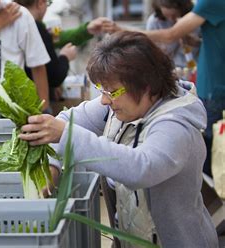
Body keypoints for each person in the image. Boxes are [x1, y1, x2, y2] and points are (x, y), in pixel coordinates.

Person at [19, 31, 218, 247]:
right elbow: (66, 120)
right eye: (102, 90)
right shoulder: (121, 104)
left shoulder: (175, 123)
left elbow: (141, 168)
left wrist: (67, 135)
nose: (104, 100)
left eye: (111, 91)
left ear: (146, 86)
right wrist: (54, 165)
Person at [103, 0, 224, 178]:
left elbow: (170, 34)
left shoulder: (210, 2)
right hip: (212, 83)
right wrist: (195, 42)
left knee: (209, 160)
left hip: (213, 86)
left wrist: (121, 31)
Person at [13, 0, 111, 103]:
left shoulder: (13, 24)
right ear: (41, 3)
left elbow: (55, 38)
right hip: (35, 102)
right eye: (47, 4)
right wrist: (65, 57)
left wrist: (86, 29)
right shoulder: (36, 27)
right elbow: (54, 76)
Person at [146, 0, 199, 68]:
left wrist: (195, 42)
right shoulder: (154, 21)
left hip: (194, 66)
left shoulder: (195, 18)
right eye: (166, 16)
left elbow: (204, 44)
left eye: (174, 15)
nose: (171, 19)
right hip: (168, 68)